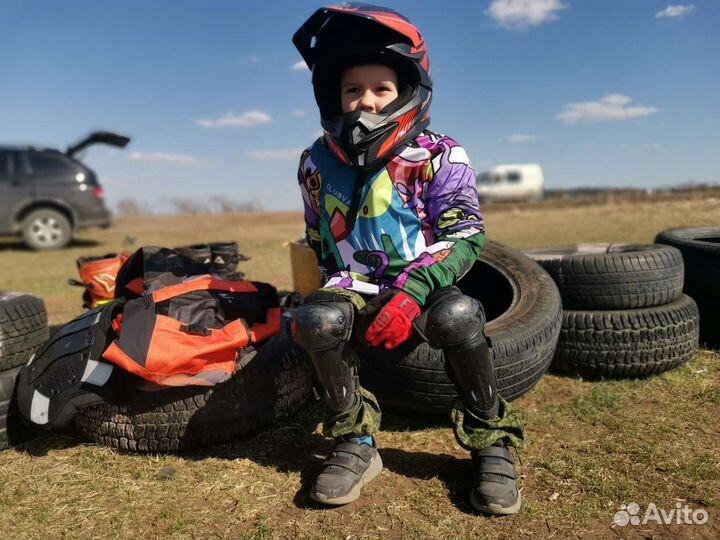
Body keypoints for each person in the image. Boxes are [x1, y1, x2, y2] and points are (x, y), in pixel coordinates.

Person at [290, 3, 525, 515]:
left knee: (458, 315)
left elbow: (465, 234)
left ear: (407, 92)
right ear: (334, 95)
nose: (364, 102)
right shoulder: (314, 160)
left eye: (380, 90)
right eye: (353, 90)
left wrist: (413, 290)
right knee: (313, 319)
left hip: (425, 279)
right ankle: (355, 440)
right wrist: (333, 292)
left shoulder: (440, 152)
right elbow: (316, 235)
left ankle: (491, 439)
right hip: (358, 281)